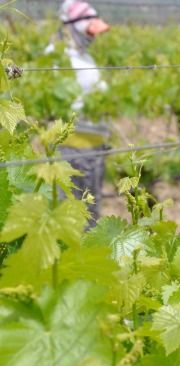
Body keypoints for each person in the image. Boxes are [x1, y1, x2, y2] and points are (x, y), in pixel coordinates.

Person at [46, 0, 110, 222]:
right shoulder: (57, 56)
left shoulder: (85, 56)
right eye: (89, 31)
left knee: (90, 211)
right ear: (71, 26)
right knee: (72, 213)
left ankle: (86, 251)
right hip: (73, 148)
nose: (92, 37)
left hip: (95, 146)